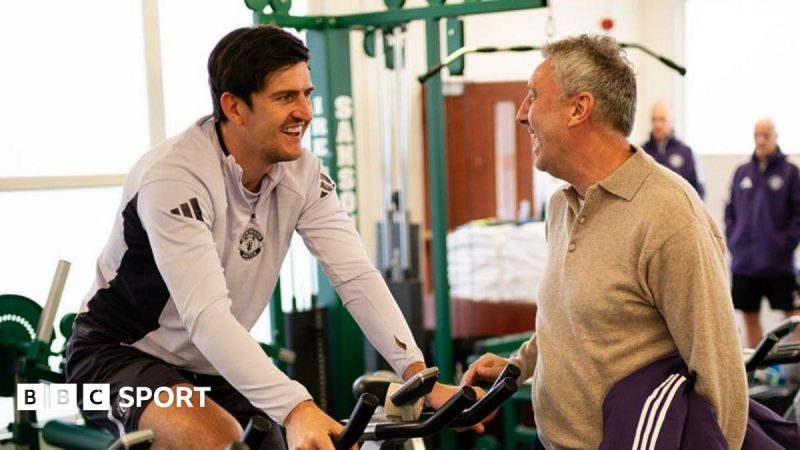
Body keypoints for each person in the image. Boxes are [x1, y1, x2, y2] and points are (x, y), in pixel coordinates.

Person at [65, 26, 461, 450]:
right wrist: (296, 408)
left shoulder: (302, 172)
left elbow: (356, 277)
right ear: (234, 107)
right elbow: (207, 317)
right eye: (285, 97)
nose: (305, 112)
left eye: (306, 94)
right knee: (220, 442)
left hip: (207, 365)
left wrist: (416, 374)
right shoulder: (175, 178)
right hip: (116, 357)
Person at [461, 35, 748, 449]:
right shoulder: (561, 206)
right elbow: (573, 322)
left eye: (534, 96)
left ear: (579, 108)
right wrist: (517, 366)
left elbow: (722, 383)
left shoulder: (670, 216)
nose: (522, 114)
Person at [725, 118, 800, 349]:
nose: (760, 140)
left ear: (776, 137)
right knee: (749, 318)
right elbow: (730, 211)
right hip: (745, 264)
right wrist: (734, 241)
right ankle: (761, 368)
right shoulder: (742, 172)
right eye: (757, 135)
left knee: (794, 316)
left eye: (766, 135)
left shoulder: (790, 172)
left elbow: (798, 214)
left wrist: (784, 244)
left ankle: (794, 368)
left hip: (779, 263)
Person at [642, 101, 705, 198]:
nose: (658, 125)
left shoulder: (686, 153)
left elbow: (698, 191)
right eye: (654, 119)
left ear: (672, 121)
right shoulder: (642, 153)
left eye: (662, 119)